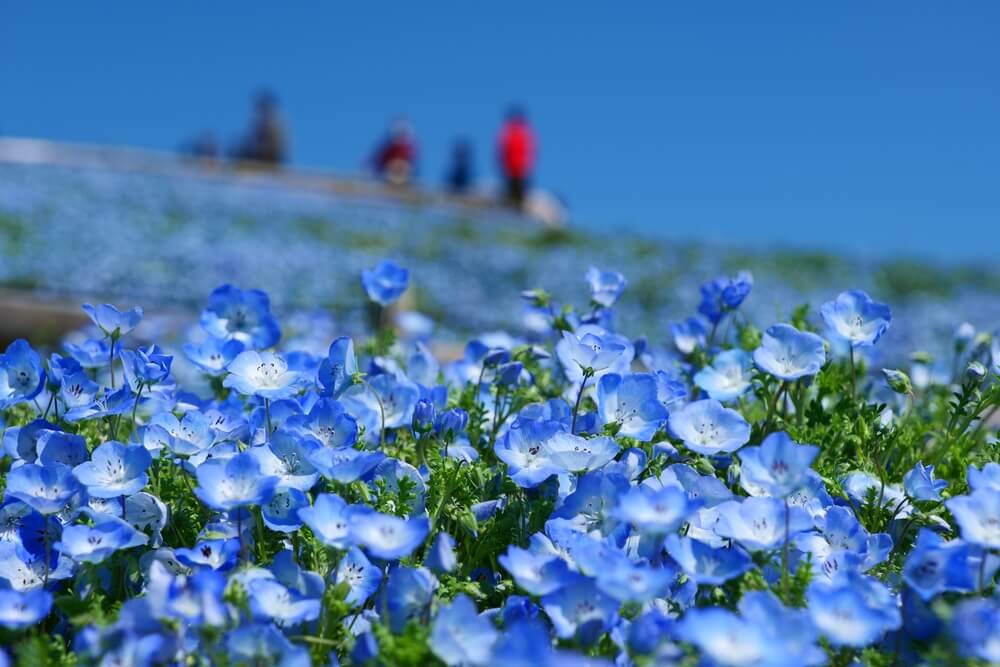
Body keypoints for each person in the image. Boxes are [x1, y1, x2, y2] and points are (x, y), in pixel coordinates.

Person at [496, 106, 536, 209]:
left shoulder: (510, 133)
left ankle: (517, 212)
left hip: (516, 170)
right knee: (515, 195)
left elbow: (502, 151)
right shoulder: (522, 133)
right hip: (516, 169)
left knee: (516, 195)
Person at [238, 90, 287, 165]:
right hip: (260, 154)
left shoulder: (275, 122)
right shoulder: (259, 122)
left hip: (272, 156)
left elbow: (278, 145)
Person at [372, 118, 418, 186]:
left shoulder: (408, 148)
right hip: (389, 175)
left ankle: (403, 183)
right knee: (395, 165)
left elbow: (413, 162)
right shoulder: (390, 148)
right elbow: (379, 159)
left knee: (400, 165)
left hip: (403, 176)